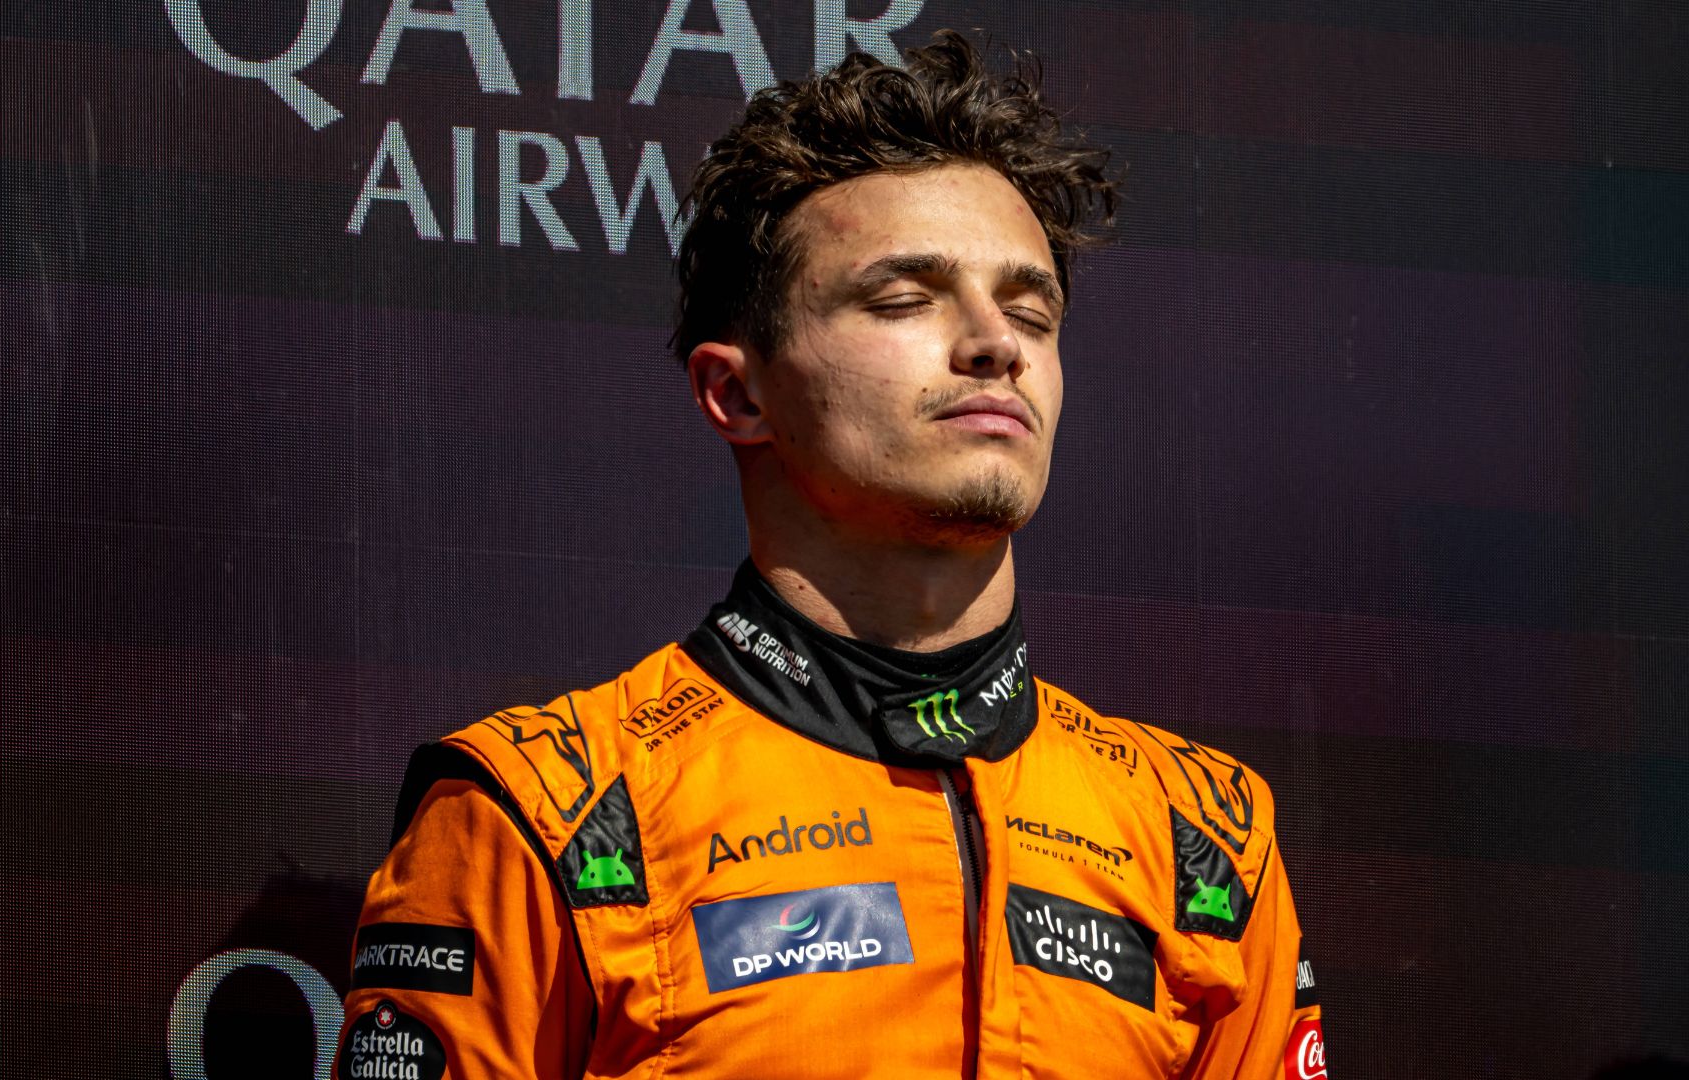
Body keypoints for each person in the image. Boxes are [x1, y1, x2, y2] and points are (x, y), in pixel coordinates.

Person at [334, 31, 1325, 1080]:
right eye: (904, 300)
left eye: (1030, 310)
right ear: (737, 394)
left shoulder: (1203, 834)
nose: (996, 343)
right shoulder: (544, 811)